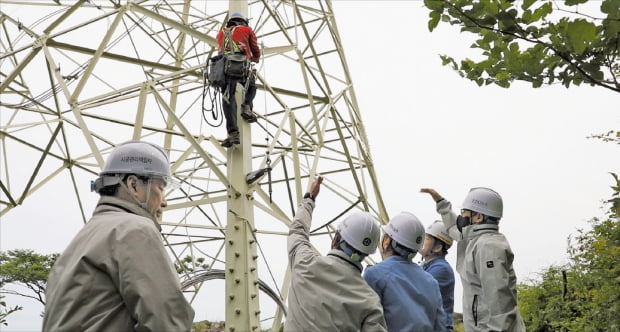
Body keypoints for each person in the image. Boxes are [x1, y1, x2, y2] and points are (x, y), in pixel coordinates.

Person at [43, 141, 195, 331]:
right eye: (161, 188)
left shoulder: (84, 237)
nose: (164, 202)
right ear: (133, 185)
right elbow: (166, 323)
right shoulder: (135, 229)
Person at [285, 176, 387, 332]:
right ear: (366, 254)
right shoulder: (370, 300)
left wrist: (310, 198)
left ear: (336, 239)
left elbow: (297, 230)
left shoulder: (303, 263)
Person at [421, 187, 526, 331]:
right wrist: (442, 205)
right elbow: (453, 229)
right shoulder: (475, 240)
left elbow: (500, 304)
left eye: (464, 212)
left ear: (478, 217)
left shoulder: (489, 247)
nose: (461, 216)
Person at [363, 212, 447, 332]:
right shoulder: (431, 281)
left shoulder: (375, 274)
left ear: (386, 241)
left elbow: (365, 321)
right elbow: (440, 326)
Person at [216, 12, 261, 148]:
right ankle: (246, 107)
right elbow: (255, 49)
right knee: (252, 86)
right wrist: (256, 58)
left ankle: (232, 133)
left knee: (227, 99)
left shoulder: (220, 33)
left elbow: (220, 50)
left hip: (224, 70)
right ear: (243, 22)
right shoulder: (247, 30)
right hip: (241, 67)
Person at [419, 220, 456, 332]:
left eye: (427, 238)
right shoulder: (425, 265)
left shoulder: (441, 269)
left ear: (437, 248)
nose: (422, 240)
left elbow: (416, 290)